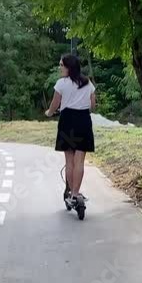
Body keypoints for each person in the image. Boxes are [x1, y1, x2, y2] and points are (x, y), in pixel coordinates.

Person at [45, 54, 96, 207]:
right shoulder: (87, 82)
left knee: (69, 160)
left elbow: (55, 103)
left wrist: (49, 113)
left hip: (67, 121)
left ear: (69, 67)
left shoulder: (61, 83)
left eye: (62, 65)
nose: (60, 67)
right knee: (79, 160)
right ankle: (75, 193)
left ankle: (71, 194)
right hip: (84, 120)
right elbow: (93, 105)